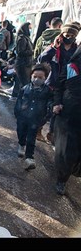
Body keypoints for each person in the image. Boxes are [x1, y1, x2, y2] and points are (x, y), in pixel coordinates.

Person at [39, 22, 79, 144]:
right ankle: (38, 129)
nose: (69, 37)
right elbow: (41, 59)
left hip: (66, 85)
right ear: (62, 34)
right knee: (46, 109)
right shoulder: (56, 47)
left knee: (58, 110)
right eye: (67, 34)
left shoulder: (76, 49)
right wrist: (53, 47)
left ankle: (51, 133)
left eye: (72, 35)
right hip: (53, 81)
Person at [52, 44, 81, 195]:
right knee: (67, 152)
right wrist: (57, 103)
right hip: (69, 116)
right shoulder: (72, 67)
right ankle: (62, 179)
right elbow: (59, 87)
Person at [14, 63, 52, 171]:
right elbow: (19, 101)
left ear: (45, 78)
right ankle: (21, 144)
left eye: (40, 77)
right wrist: (17, 112)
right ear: (31, 76)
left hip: (36, 119)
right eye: (35, 76)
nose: (37, 79)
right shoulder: (25, 88)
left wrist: (46, 117)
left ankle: (29, 158)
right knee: (21, 132)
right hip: (22, 117)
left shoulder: (48, 91)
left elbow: (50, 104)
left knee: (31, 138)